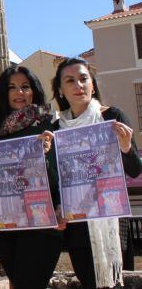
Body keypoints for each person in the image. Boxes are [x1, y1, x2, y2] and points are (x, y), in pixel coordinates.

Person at [50, 57, 141, 289]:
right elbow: (55, 180)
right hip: (77, 226)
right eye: (70, 80)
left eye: (83, 79)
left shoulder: (112, 117)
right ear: (60, 90)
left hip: (111, 222)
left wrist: (126, 147)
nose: (78, 85)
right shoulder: (55, 130)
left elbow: (135, 170)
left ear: (92, 83)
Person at [0, 66, 63, 288]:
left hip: (41, 224)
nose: (19, 93)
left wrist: (46, 158)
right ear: (3, 93)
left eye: (25, 87)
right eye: (12, 87)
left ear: (34, 91)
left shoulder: (46, 126)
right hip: (3, 226)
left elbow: (59, 178)